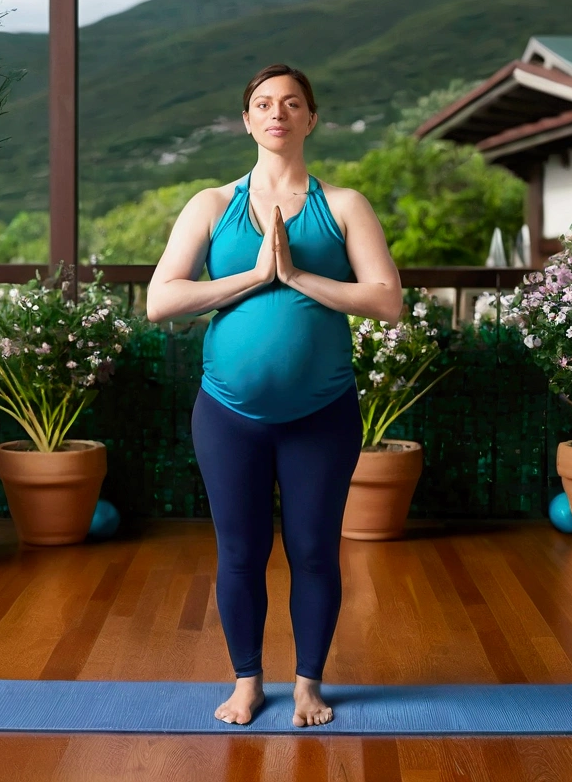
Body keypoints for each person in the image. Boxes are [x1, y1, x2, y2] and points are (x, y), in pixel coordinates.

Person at [146, 63, 402, 728]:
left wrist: (296, 274)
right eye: (264, 103)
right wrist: (255, 276)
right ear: (248, 120)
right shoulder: (210, 204)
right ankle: (247, 681)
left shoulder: (344, 205)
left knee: (314, 548)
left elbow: (386, 301)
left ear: (311, 119)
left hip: (323, 414)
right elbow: (161, 300)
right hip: (228, 415)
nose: (278, 112)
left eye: (292, 103)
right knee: (240, 549)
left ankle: (310, 684)